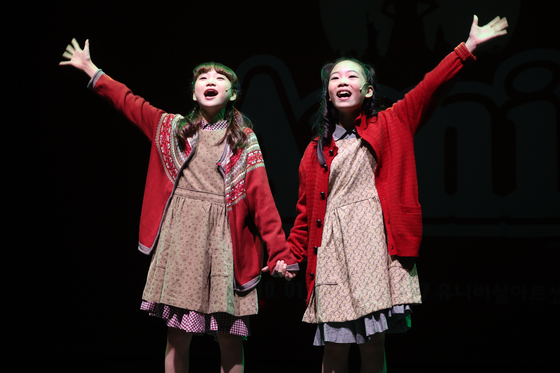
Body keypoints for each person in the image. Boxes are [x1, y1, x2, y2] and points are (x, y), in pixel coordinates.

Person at [60, 39, 298, 373]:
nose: (210, 81)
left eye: (220, 78)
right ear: (193, 93)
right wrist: (91, 70)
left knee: (229, 335)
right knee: (177, 335)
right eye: (203, 77)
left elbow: (263, 201)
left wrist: (280, 252)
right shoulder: (171, 129)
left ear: (232, 94)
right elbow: (130, 103)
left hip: (223, 241)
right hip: (182, 238)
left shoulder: (244, 140)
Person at [287, 15, 508, 373]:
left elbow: (429, 87)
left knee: (374, 346)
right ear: (328, 92)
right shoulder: (315, 151)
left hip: (375, 247)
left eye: (351, 76)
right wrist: (292, 255)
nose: (342, 81)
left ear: (368, 90)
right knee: (334, 348)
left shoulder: (392, 122)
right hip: (331, 252)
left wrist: (466, 49)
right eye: (335, 78)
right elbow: (305, 211)